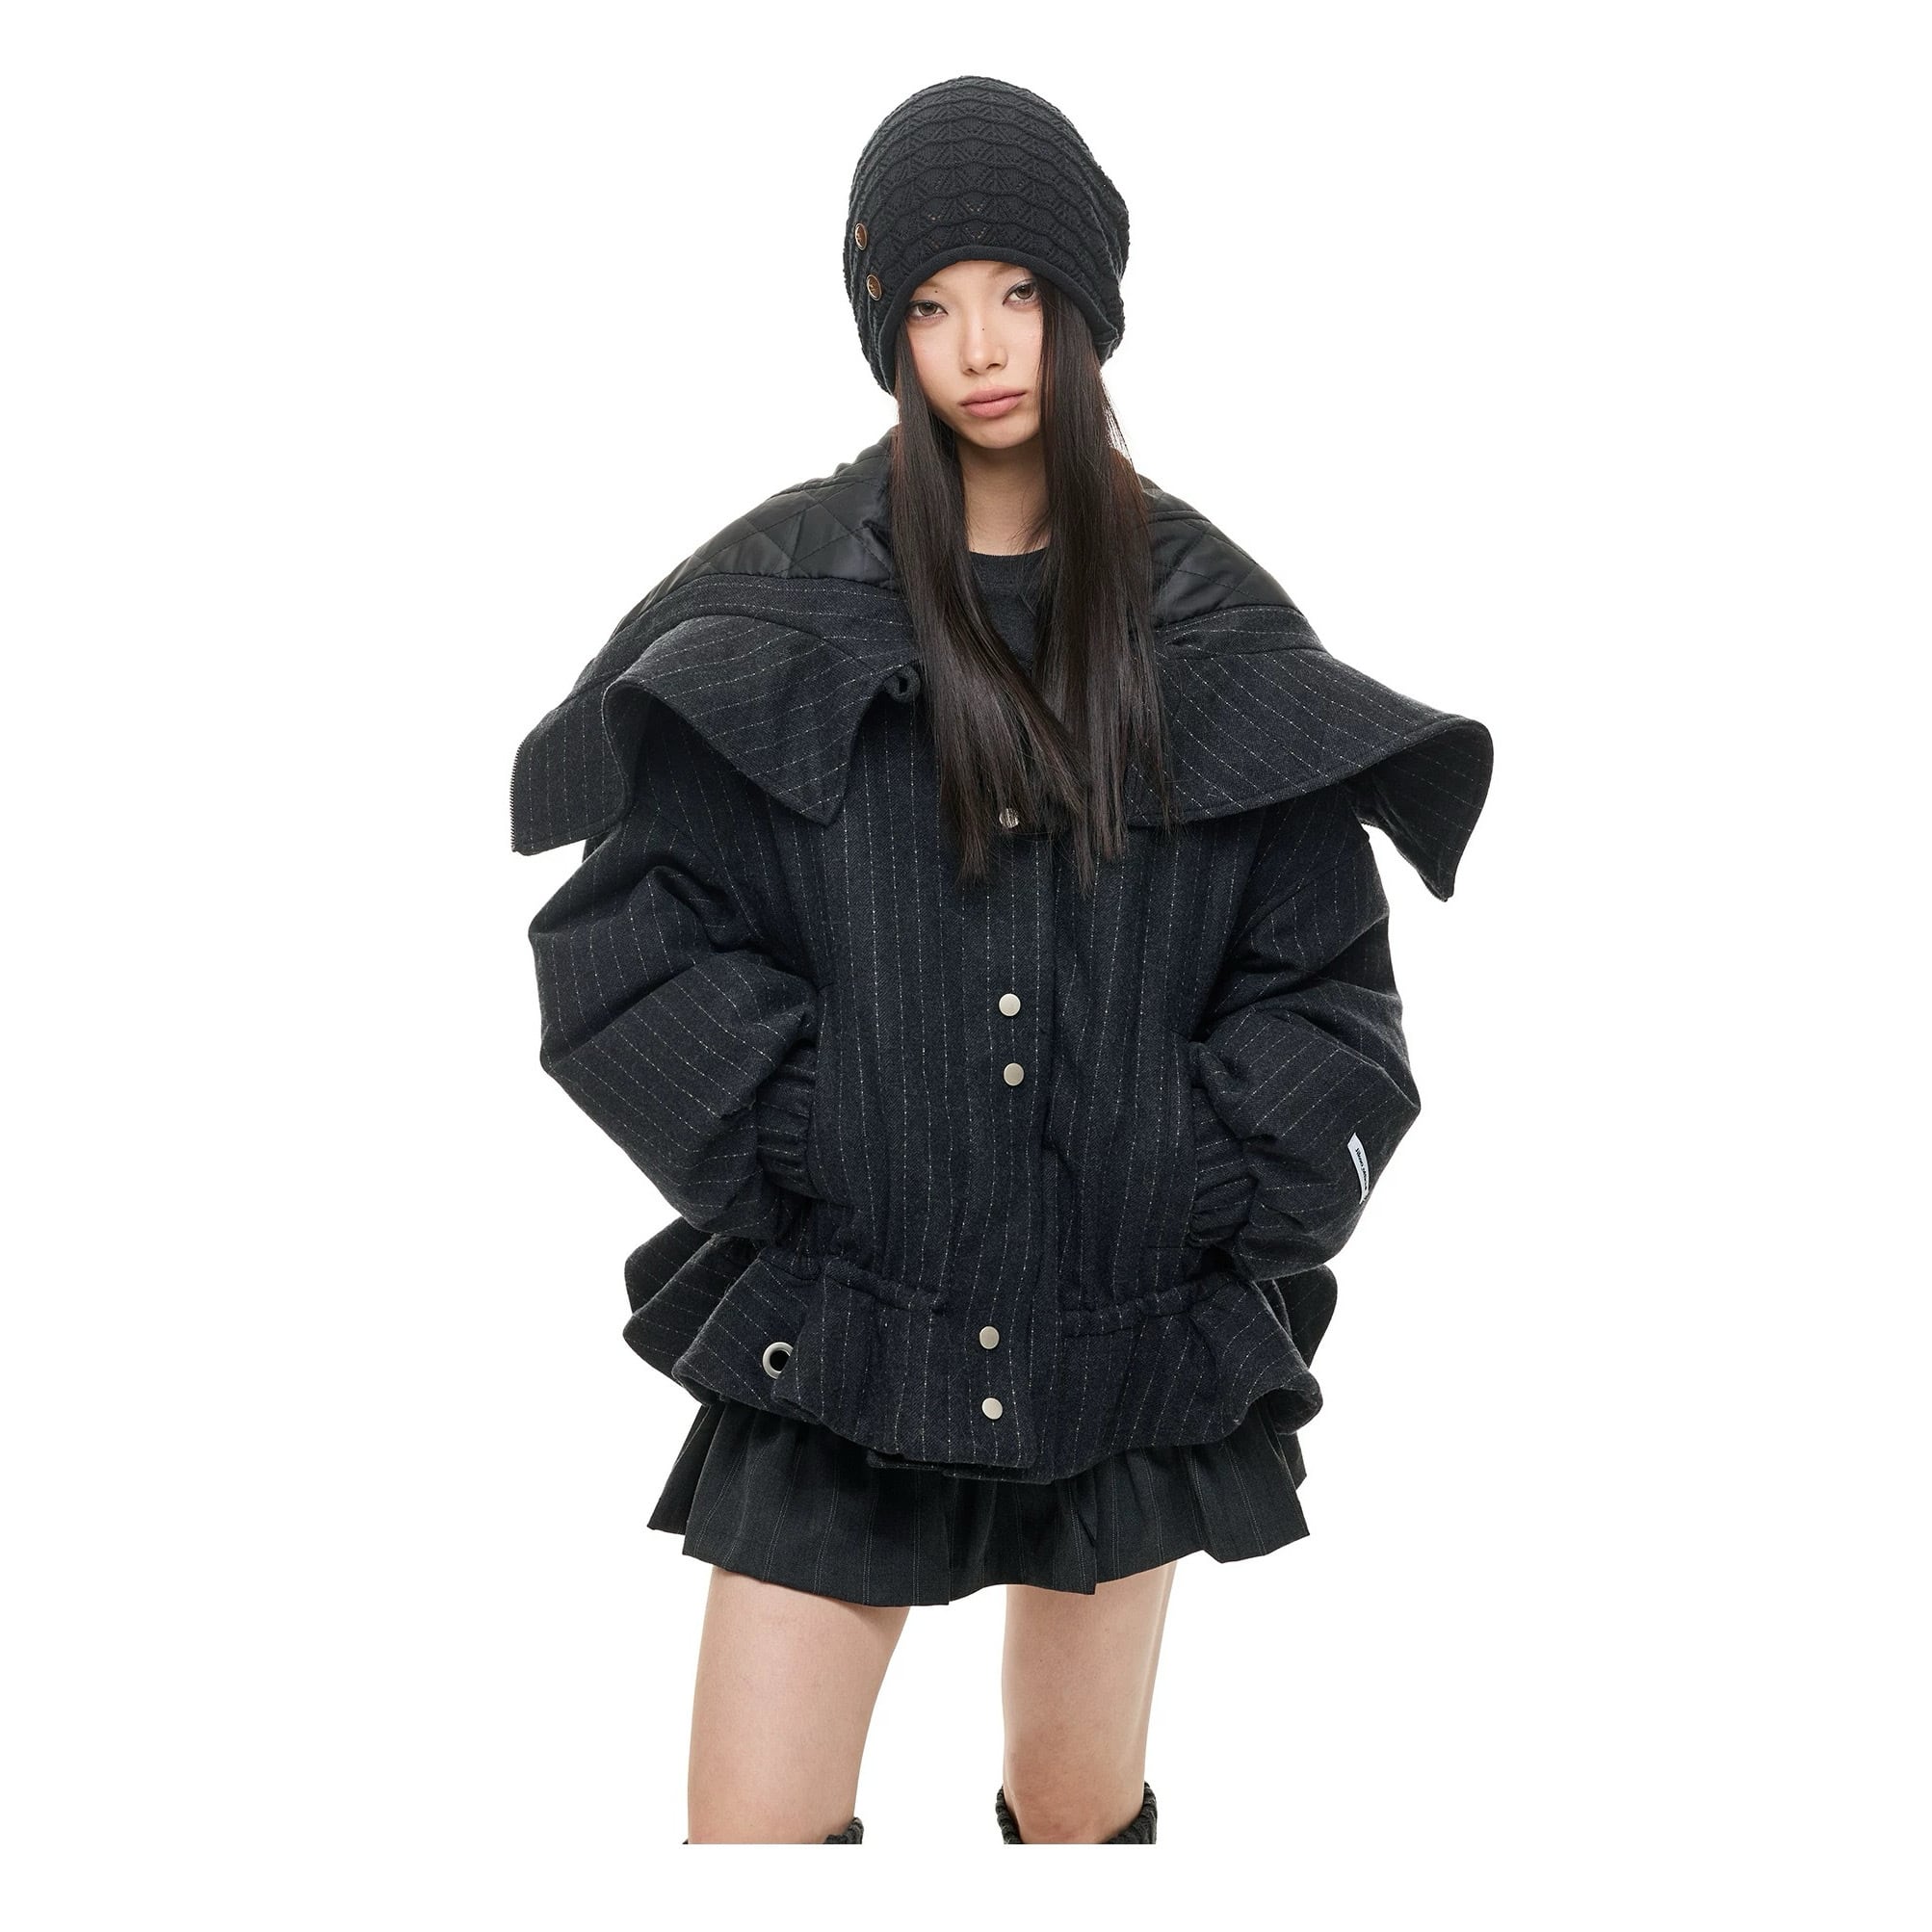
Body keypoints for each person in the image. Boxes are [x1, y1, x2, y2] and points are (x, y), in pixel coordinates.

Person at [509, 75, 1493, 1845]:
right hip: (845, 1327)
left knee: (1074, 1817)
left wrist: (1189, 1166)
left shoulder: (1203, 615)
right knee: (747, 1840)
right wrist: (814, 1130)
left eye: (1018, 292)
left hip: (1120, 1336)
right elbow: (625, 940)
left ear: (1084, 302)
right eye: (930, 303)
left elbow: (1328, 991)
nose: (978, 346)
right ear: (883, 327)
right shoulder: (785, 591)